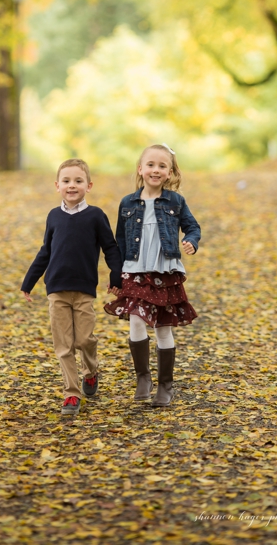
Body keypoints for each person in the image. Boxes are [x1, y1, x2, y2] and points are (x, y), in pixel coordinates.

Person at [21, 159, 124, 417]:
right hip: (56, 289)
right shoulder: (53, 216)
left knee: (84, 340)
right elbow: (46, 251)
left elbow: (110, 248)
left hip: (84, 289)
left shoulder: (96, 216)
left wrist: (116, 276)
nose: (72, 185)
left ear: (89, 186)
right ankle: (71, 393)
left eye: (78, 181)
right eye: (66, 181)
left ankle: (91, 371)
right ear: (57, 185)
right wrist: (29, 281)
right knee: (64, 345)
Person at [103, 144, 201, 407]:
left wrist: (191, 241)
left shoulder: (175, 201)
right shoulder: (127, 203)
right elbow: (120, 242)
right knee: (136, 321)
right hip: (135, 270)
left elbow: (192, 227)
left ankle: (165, 385)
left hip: (164, 271)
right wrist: (116, 275)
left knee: (162, 326)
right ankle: (143, 378)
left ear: (170, 172)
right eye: (150, 165)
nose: (155, 170)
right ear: (140, 169)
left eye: (162, 166)